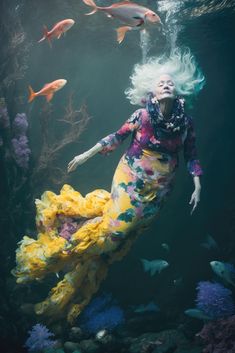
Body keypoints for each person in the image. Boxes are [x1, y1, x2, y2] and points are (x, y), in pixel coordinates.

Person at [12, 48, 205, 324]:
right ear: (151, 90)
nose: (166, 84)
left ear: (179, 91)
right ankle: (45, 260)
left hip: (158, 194)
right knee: (113, 232)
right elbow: (116, 137)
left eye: (170, 83)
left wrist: (197, 185)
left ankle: (57, 301)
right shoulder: (142, 116)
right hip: (130, 181)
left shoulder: (185, 124)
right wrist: (84, 155)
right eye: (161, 82)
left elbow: (193, 155)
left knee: (113, 246)